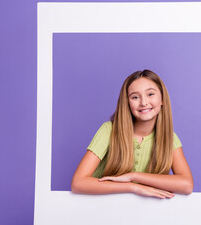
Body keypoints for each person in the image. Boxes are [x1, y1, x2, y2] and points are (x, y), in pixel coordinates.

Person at [71, 69, 193, 199]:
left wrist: (134, 176)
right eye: (135, 97)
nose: (143, 102)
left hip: (138, 214)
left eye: (150, 94)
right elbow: (78, 183)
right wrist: (133, 186)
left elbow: (186, 185)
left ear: (162, 99)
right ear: (127, 103)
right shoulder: (109, 131)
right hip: (102, 209)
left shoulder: (170, 138)